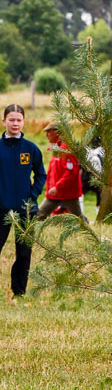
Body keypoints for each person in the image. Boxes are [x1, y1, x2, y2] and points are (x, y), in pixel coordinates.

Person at [0, 104, 46, 298]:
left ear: (23, 122)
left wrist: (32, 195)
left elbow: (41, 175)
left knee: (24, 254)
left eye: (19, 120)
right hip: (0, 210)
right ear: (4, 122)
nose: (15, 123)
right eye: (11, 119)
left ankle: (19, 291)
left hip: (25, 211)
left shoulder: (31, 149)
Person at [37, 123, 86, 221]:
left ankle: (88, 233)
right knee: (39, 215)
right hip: (55, 193)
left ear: (57, 132)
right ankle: (30, 234)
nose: (46, 135)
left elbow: (71, 172)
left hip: (68, 193)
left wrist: (57, 186)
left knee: (78, 219)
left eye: (48, 132)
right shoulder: (56, 149)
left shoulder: (66, 149)